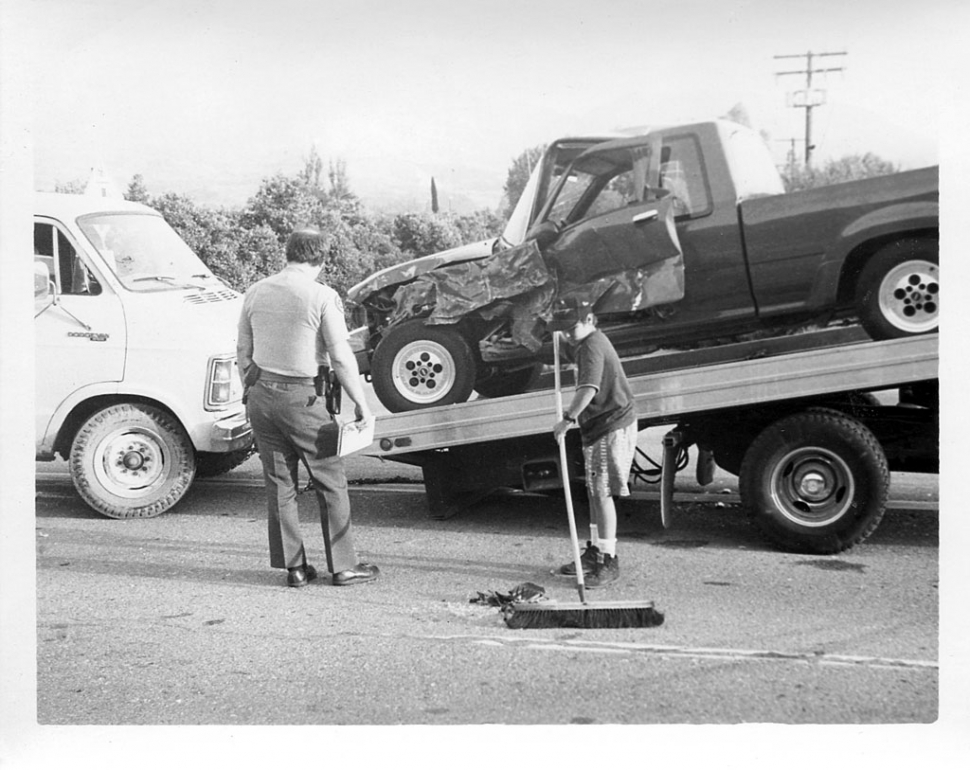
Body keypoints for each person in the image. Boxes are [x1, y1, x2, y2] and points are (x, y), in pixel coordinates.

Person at [237, 227, 379, 588]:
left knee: (279, 483)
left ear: (289, 253)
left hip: (262, 396)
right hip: (305, 398)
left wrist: (249, 391)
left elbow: (242, 351)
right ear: (322, 258)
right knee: (330, 480)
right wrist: (361, 404)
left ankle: (295, 568)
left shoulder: (255, 291)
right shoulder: (322, 296)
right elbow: (342, 357)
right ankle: (344, 566)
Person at [550, 296, 638, 588]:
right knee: (593, 491)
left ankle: (608, 560)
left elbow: (588, 388)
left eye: (570, 327)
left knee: (601, 493)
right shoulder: (581, 342)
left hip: (610, 425)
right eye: (562, 329)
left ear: (589, 321)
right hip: (598, 426)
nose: (566, 333)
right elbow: (566, 347)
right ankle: (595, 551)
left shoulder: (591, 346)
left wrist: (567, 419)